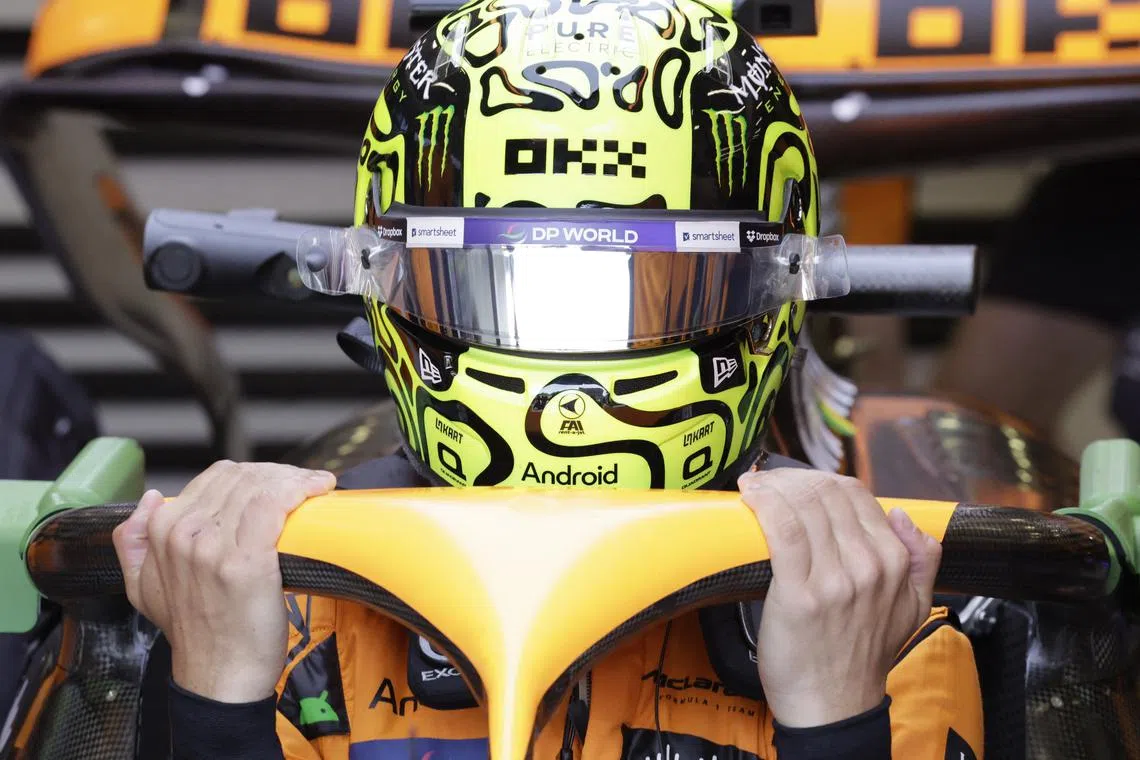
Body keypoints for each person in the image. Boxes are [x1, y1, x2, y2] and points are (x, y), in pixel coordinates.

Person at [112, 0, 984, 757]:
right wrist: (220, 693)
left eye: (652, 289)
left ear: (773, 290)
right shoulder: (286, 605)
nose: (569, 385)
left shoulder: (881, 620)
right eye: (498, 289)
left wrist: (835, 717)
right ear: (381, 276)